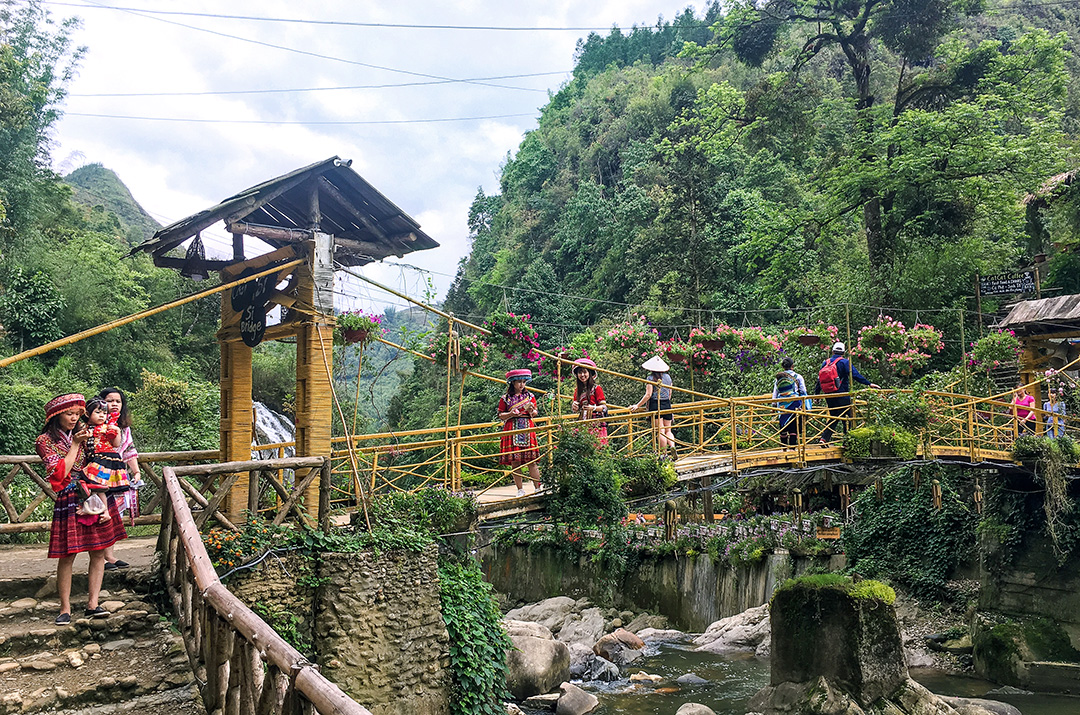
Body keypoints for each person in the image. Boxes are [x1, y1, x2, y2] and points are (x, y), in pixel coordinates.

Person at [35, 394, 126, 626]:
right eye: (69, 414)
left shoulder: (88, 431)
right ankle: (65, 608)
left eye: (78, 414)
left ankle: (93, 604)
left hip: (95, 490)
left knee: (98, 552)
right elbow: (59, 473)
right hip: (69, 496)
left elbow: (104, 454)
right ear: (56, 416)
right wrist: (75, 443)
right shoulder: (45, 441)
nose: (75, 418)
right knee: (68, 555)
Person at [98, 388, 142, 570]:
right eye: (110, 400)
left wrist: (136, 472)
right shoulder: (96, 424)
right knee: (100, 513)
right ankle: (98, 558)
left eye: (118, 401)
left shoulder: (124, 427)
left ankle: (109, 555)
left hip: (118, 474)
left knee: (115, 513)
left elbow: (129, 450)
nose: (114, 404)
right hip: (99, 473)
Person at [815, 342, 879, 444]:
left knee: (834, 416)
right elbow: (855, 375)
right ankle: (846, 442)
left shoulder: (825, 363)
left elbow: (819, 380)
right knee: (847, 417)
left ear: (832, 351)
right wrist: (868, 383)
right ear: (843, 353)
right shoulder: (844, 362)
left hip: (829, 394)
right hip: (842, 394)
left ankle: (824, 438)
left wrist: (817, 395)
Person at [497, 369, 541, 498]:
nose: (522, 385)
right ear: (512, 383)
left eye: (524, 382)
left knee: (531, 460)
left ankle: (537, 488)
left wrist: (532, 411)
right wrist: (510, 414)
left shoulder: (530, 396)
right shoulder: (505, 399)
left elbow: (534, 413)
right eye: (519, 382)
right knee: (515, 461)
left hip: (527, 426)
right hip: (512, 428)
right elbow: (500, 415)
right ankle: (520, 489)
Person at [631, 356, 675, 456]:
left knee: (660, 431)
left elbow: (648, 395)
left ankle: (663, 454)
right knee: (668, 430)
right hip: (667, 404)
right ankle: (672, 446)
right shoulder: (668, 377)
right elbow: (670, 394)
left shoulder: (650, 379)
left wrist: (637, 405)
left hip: (656, 404)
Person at [570, 358, 609, 447]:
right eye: (580, 372)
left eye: (585, 372)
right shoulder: (577, 391)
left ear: (590, 373)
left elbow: (604, 407)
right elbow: (577, 409)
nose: (582, 375)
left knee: (598, 445)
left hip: (596, 421)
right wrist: (574, 407)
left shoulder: (597, 388)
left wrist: (593, 408)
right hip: (583, 420)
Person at [773, 356, 808, 448]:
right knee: (793, 428)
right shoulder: (798, 377)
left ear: (783, 366)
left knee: (783, 426)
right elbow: (803, 391)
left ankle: (784, 448)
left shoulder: (779, 378)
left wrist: (773, 405)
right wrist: (806, 405)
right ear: (792, 366)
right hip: (795, 403)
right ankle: (792, 448)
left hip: (782, 404)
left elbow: (775, 392)